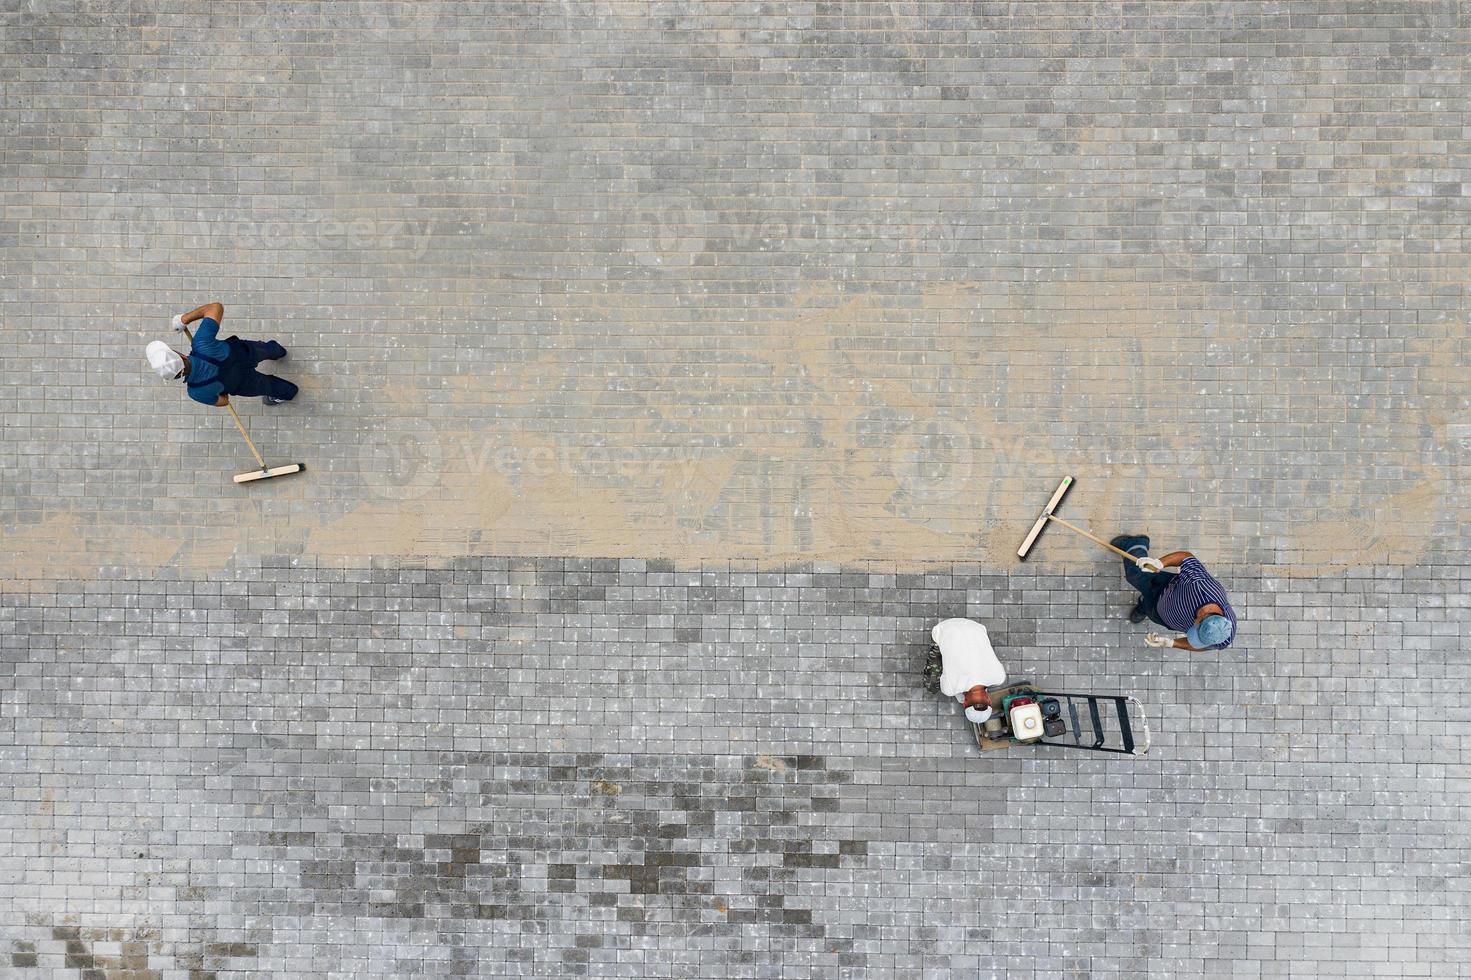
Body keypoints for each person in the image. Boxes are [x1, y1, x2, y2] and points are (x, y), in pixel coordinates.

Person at [144, 302, 298, 407]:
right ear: (181, 355)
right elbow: (215, 308)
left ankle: (288, 392)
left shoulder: (196, 392)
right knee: (266, 349)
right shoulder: (201, 343)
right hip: (245, 352)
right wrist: (184, 319)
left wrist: (221, 393)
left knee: (268, 386)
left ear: (174, 378)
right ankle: (278, 352)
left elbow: (223, 401)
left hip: (243, 383)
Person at [1110, 535, 1237, 651]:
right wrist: (1159, 563)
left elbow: (1203, 645)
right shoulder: (1199, 586)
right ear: (1201, 618)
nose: (1191, 636)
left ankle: (1144, 607)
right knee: (1135, 574)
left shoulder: (1223, 635)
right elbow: (1186, 557)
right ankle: (1135, 544)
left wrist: (1171, 643)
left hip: (1161, 616)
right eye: (1196, 633)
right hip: (1164, 587)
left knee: (1148, 607)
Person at [930, 618, 1007, 724]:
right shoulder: (950, 689)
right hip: (943, 628)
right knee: (932, 683)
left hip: (976, 627)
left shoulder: (999, 677)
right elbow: (957, 691)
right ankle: (938, 645)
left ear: (989, 700)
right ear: (965, 703)